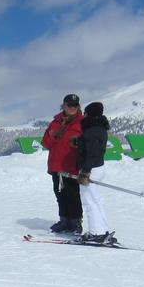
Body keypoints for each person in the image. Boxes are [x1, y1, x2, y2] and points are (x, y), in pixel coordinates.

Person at [40, 93, 84, 232]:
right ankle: (64, 221)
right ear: (64, 105)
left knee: (73, 195)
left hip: (72, 166)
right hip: (56, 165)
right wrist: (56, 135)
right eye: (69, 105)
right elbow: (45, 143)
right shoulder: (55, 122)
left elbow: (87, 144)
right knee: (60, 194)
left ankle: (76, 222)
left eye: (75, 105)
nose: (72, 108)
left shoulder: (82, 122)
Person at [76, 101, 115, 244]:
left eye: (85, 112)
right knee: (95, 199)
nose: (84, 115)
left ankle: (95, 233)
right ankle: (102, 229)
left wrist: (85, 171)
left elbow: (92, 153)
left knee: (89, 201)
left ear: (89, 114)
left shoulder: (91, 131)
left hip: (91, 168)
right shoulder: (100, 128)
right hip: (98, 167)